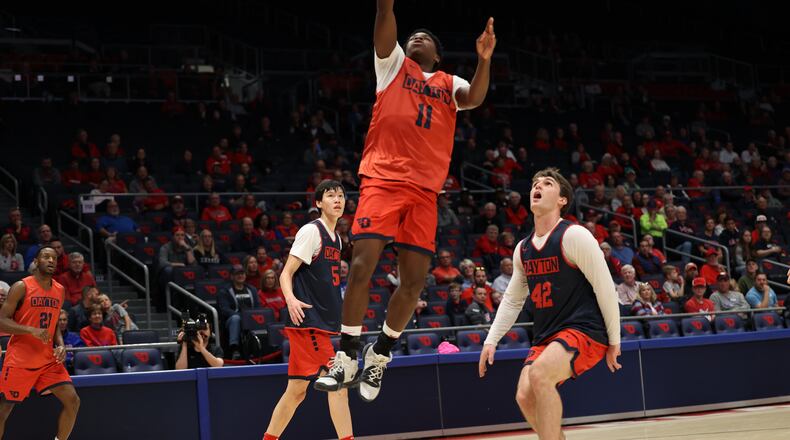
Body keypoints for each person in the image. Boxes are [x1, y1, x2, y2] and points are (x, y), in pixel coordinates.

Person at [323, 0, 495, 402]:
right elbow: (384, 18)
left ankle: (379, 353)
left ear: (437, 54)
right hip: (383, 179)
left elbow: (474, 97)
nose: (417, 38)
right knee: (363, 263)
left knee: (414, 282)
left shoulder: (449, 83)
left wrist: (484, 59)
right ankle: (347, 353)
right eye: (412, 35)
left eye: (426, 39)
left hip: (424, 191)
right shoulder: (393, 64)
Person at [479, 168, 620, 440]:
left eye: (547, 183)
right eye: (534, 183)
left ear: (562, 200)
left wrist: (615, 340)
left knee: (541, 375)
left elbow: (605, 287)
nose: (537, 187)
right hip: (547, 335)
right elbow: (512, 300)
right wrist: (491, 340)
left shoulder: (575, 236)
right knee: (523, 395)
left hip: (584, 328)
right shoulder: (523, 249)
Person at [265, 180, 353, 440]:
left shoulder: (336, 238)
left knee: (296, 392)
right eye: (330, 195)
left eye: (340, 195)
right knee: (338, 385)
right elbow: (286, 273)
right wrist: (290, 300)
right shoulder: (311, 231)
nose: (337, 199)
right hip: (308, 321)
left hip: (319, 324)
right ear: (318, 203)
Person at [0, 246, 80, 440]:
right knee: (3, 410)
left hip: (47, 359)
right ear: (36, 261)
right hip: (21, 358)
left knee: (72, 401)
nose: (51, 260)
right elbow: (2, 320)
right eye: (46, 257)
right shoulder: (21, 286)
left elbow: (53, 326)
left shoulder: (59, 290)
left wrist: (59, 344)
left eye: (54, 258)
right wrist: (30, 329)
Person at [217, 264, 260, 359]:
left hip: (251, 318)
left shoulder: (252, 289)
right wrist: (241, 316)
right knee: (236, 319)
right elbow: (224, 309)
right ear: (232, 276)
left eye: (242, 273)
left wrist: (249, 317)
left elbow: (257, 307)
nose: (240, 276)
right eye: (237, 274)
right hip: (232, 320)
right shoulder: (225, 291)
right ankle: (234, 348)